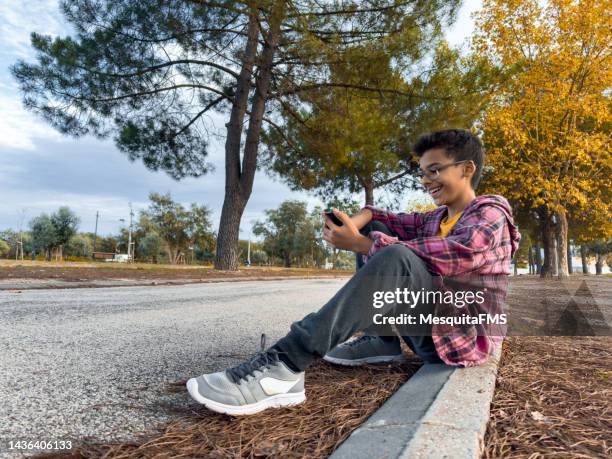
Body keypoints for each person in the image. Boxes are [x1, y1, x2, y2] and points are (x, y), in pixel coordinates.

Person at [186, 128, 522, 416]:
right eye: (422, 173)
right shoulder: (437, 218)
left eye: (434, 171)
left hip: (460, 338)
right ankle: (383, 340)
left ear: (467, 168)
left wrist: (362, 244)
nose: (425, 181)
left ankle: (285, 366)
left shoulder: (490, 213)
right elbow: (384, 216)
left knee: (397, 256)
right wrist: (358, 221)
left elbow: (460, 254)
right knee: (384, 235)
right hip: (432, 327)